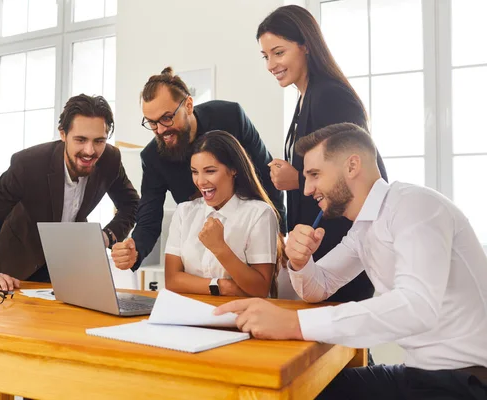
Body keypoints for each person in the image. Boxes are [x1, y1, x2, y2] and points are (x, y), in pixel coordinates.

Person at [215, 123, 487, 399]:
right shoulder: (363, 229)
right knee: (303, 390)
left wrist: (294, 323)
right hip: (419, 374)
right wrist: (301, 262)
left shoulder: (415, 206)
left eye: (314, 174)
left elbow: (416, 307)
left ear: (352, 165)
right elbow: (318, 288)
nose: (307, 189)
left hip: (465, 381)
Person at [257, 5, 389, 302]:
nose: (270, 64)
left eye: (278, 52)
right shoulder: (305, 97)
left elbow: (357, 171)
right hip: (318, 247)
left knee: (342, 339)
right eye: (266, 56)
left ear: (305, 45)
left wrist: (297, 179)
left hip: (340, 245)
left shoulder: (329, 95)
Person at [111, 67, 286, 271]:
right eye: (152, 122)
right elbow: (149, 215)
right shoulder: (152, 157)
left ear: (188, 105)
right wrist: (135, 250)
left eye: (167, 118)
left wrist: (279, 230)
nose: (160, 130)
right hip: (202, 244)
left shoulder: (230, 117)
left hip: (251, 231)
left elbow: (267, 173)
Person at [0, 94, 139, 290]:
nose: (90, 151)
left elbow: (131, 204)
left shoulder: (110, 159)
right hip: (17, 272)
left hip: (70, 271)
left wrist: (107, 236)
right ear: (63, 134)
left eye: (99, 141)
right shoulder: (29, 164)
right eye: (80, 140)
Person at [165, 130, 282, 298]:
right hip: (191, 312)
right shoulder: (184, 212)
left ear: (233, 169)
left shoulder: (259, 214)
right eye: (195, 172)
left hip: (242, 315)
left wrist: (219, 248)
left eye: (210, 171)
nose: (200, 181)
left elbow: (260, 288)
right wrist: (221, 286)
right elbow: (172, 280)